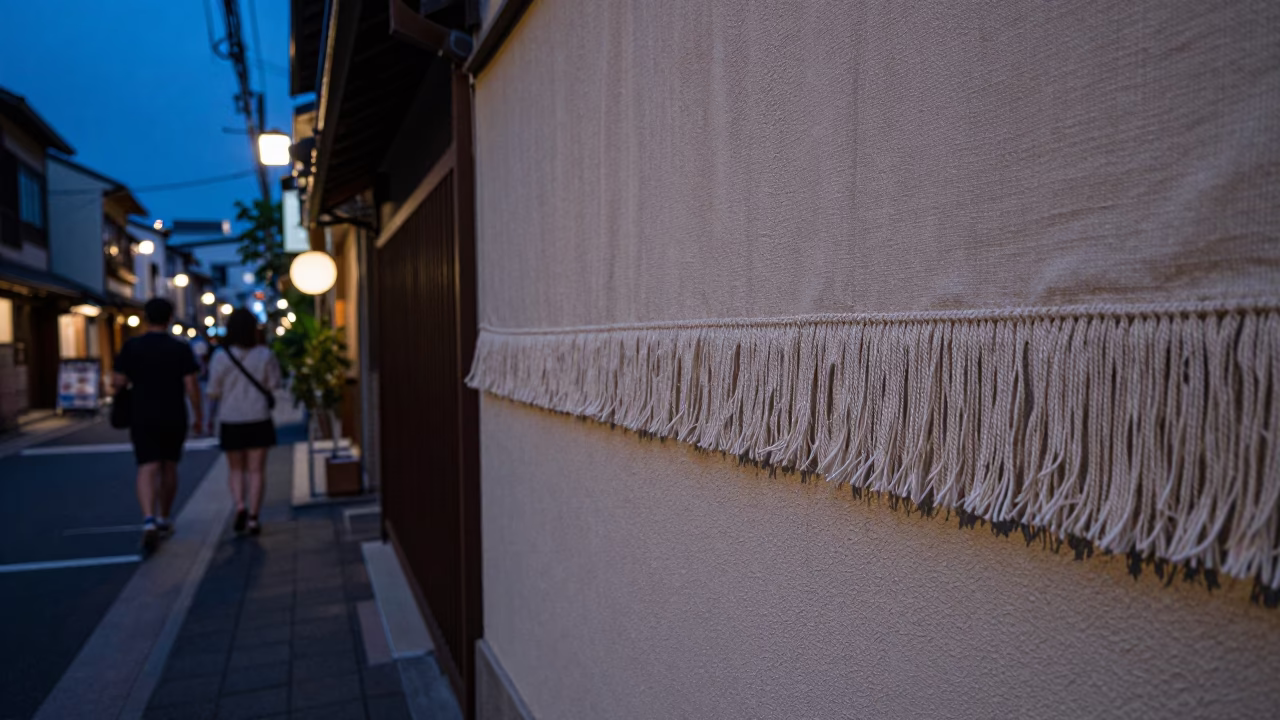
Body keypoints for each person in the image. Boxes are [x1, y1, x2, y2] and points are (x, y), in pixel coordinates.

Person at [113, 298, 203, 552]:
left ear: (145, 317)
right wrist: (199, 415)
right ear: (170, 318)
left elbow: (117, 381)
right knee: (169, 466)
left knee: (147, 466)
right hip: (173, 414)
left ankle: (148, 520)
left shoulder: (131, 347)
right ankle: (164, 516)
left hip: (141, 414)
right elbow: (191, 386)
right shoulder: (180, 348)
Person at [207, 308, 282, 535]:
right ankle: (253, 518)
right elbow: (275, 384)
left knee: (236, 469)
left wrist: (209, 419)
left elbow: (213, 391)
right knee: (257, 470)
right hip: (258, 417)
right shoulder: (265, 354)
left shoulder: (220, 357)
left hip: (231, 419)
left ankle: (240, 505)